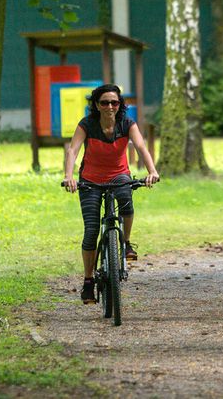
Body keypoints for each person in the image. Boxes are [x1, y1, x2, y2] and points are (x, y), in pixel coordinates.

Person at [63, 84, 159, 304]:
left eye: (114, 102)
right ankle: (88, 281)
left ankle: (125, 243)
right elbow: (73, 150)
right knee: (91, 230)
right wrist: (69, 176)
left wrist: (152, 171)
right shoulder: (87, 124)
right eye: (104, 102)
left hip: (118, 175)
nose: (109, 107)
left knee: (126, 197)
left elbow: (141, 147)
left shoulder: (127, 123)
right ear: (96, 105)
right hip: (91, 179)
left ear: (120, 105)